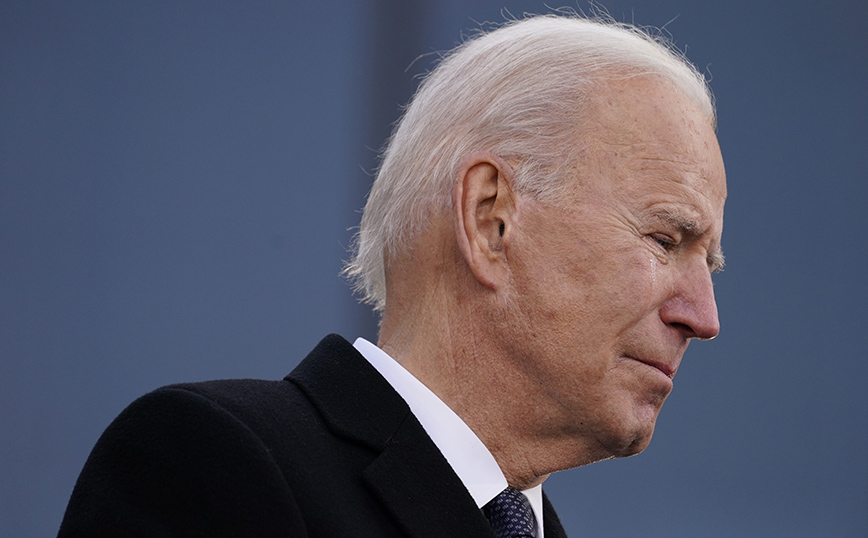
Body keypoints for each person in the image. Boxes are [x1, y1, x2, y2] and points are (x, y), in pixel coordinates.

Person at [58, 13, 726, 538]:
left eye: (710, 263)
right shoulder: (210, 467)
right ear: (491, 219)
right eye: (665, 240)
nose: (704, 317)